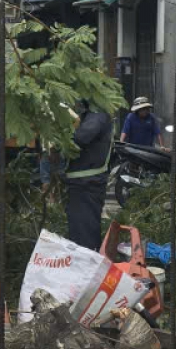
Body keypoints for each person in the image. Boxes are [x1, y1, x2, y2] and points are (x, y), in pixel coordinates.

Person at [64, 99, 113, 251]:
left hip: (87, 184)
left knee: (84, 232)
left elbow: (80, 138)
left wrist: (62, 134)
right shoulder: (90, 116)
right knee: (79, 229)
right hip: (82, 183)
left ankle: (86, 264)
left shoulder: (97, 116)